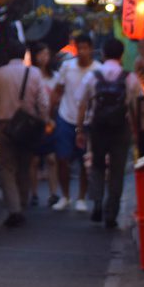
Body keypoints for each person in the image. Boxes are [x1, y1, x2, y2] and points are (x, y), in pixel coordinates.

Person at [76, 37, 142, 229]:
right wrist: (137, 132)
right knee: (117, 171)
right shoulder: (130, 78)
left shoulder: (93, 76)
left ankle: (97, 203)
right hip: (121, 129)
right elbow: (135, 107)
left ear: (103, 54)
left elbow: (82, 105)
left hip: (98, 128)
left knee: (97, 166)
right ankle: (111, 212)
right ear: (121, 55)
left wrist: (79, 130)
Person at [0, 38, 50, 227]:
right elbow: (43, 103)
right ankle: (22, 203)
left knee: (6, 168)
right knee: (24, 166)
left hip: (5, 126)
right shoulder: (35, 73)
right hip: (28, 127)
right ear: (24, 55)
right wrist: (44, 122)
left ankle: (14, 209)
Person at [50, 33, 101, 212]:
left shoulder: (98, 69)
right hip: (65, 117)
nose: (82, 51)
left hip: (87, 121)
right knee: (62, 158)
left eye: (85, 48)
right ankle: (65, 196)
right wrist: (50, 114)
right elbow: (58, 90)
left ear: (91, 49)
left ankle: (81, 197)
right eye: (79, 48)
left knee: (83, 161)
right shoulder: (67, 67)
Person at [28, 41, 59, 207]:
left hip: (50, 121)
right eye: (40, 54)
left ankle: (54, 193)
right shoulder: (30, 74)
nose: (44, 57)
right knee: (33, 160)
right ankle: (33, 193)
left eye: (46, 54)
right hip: (33, 122)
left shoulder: (55, 77)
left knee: (51, 158)